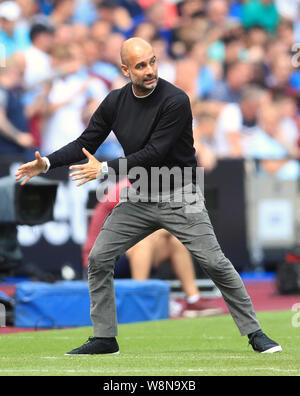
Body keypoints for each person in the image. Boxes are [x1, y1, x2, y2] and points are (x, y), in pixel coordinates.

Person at [16, 37, 282, 355]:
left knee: (214, 262)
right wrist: (46, 163)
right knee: (99, 258)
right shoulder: (115, 102)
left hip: (179, 193)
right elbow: (84, 142)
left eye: (152, 61)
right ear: (126, 69)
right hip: (139, 194)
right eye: (141, 65)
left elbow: (154, 153)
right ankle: (105, 338)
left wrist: (103, 171)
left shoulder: (176, 100)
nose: (150, 70)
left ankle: (255, 332)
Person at [82, 177, 223, 317]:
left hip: (125, 255)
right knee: (144, 242)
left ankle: (193, 300)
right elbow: (141, 230)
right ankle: (140, 302)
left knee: (175, 242)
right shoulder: (125, 189)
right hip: (102, 261)